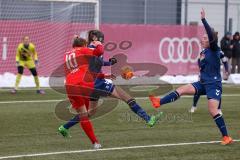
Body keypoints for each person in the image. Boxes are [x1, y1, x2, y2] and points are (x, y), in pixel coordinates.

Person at [58, 31, 162, 148]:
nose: (103, 41)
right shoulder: (93, 47)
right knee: (128, 98)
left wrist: (107, 66)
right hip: (96, 83)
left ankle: (65, 127)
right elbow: (95, 62)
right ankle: (148, 119)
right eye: (102, 39)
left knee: (90, 112)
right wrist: (104, 69)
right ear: (97, 38)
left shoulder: (85, 49)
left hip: (90, 83)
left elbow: (94, 65)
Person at [149, 9, 233, 145]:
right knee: (181, 89)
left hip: (213, 84)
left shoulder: (214, 49)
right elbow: (204, 66)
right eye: (203, 37)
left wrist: (203, 20)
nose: (203, 39)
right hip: (203, 82)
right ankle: (159, 102)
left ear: (211, 40)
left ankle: (226, 137)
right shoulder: (204, 51)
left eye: (206, 38)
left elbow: (220, 55)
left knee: (213, 110)